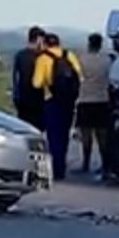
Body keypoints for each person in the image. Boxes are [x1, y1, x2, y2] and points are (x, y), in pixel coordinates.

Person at [31, 33, 82, 180]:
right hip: (68, 101)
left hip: (51, 100)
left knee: (54, 137)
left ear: (46, 44)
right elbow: (79, 75)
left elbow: (36, 83)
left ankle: (56, 168)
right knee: (64, 135)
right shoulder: (69, 55)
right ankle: (62, 166)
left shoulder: (43, 59)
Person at [75, 32, 114, 175]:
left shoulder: (82, 59)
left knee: (86, 136)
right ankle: (105, 166)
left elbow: (77, 76)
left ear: (89, 43)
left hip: (85, 99)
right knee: (102, 136)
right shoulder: (107, 61)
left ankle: (85, 163)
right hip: (102, 100)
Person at [12, 26, 45, 129]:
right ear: (38, 39)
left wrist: (16, 97)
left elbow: (15, 78)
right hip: (38, 101)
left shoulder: (20, 56)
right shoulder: (41, 57)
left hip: (22, 100)